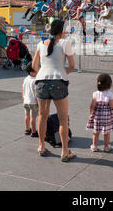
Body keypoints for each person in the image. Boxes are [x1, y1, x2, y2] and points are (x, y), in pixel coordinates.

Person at [32, 20, 76, 162]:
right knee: (63, 119)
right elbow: (72, 65)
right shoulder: (64, 43)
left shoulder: (40, 44)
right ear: (61, 31)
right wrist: (63, 73)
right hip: (58, 81)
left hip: (41, 82)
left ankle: (41, 146)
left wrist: (42, 74)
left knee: (42, 116)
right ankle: (64, 151)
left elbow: (34, 65)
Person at [87, 73, 113, 152]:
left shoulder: (95, 94)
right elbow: (112, 106)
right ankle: (106, 146)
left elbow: (92, 105)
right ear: (110, 85)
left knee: (96, 132)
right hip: (106, 117)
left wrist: (91, 114)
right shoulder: (110, 95)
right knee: (106, 133)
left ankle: (94, 146)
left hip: (97, 117)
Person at [22, 63, 38, 138]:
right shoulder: (35, 81)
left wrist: (23, 97)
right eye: (36, 70)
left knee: (27, 116)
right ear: (31, 72)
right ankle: (34, 132)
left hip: (26, 101)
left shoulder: (26, 79)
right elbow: (35, 93)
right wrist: (38, 102)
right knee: (33, 117)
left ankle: (27, 129)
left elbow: (22, 89)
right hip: (33, 102)